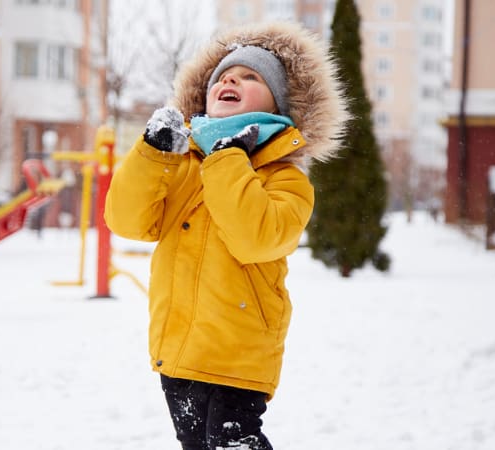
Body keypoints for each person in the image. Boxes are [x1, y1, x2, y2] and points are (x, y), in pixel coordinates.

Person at [104, 21, 348, 450]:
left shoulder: (284, 178)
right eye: (223, 76)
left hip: (240, 355)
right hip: (178, 347)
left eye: (251, 77)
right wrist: (151, 155)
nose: (231, 79)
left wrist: (230, 158)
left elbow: (254, 238)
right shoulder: (184, 165)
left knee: (234, 443)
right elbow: (127, 221)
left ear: (280, 103)